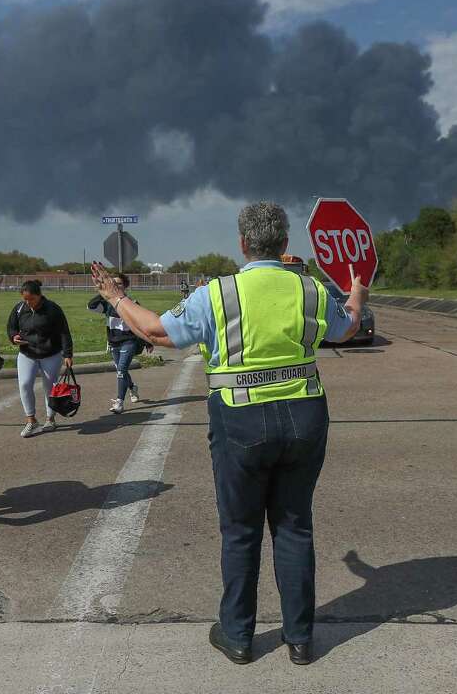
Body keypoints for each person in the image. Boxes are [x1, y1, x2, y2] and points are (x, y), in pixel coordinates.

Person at [90, 201, 367, 666]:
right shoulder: (311, 289)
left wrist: (117, 297)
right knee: (294, 526)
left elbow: (157, 333)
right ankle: (300, 640)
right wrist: (357, 289)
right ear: (284, 245)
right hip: (304, 418)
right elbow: (348, 328)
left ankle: (238, 636)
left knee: (241, 530)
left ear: (242, 244)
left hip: (240, 421)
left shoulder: (217, 294)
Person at [7, 280, 74, 437]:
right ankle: (31, 420)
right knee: (24, 384)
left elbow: (64, 332)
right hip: (26, 353)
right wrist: (13, 337)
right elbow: (11, 327)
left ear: (39, 295)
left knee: (49, 387)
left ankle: (50, 419)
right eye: (25, 299)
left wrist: (68, 354)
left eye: (31, 299)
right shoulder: (19, 309)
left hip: (50, 354)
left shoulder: (53, 309)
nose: (28, 302)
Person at [88, 272, 152, 414]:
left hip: (129, 341)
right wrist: (103, 292)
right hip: (114, 342)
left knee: (121, 370)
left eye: (119, 284)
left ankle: (119, 402)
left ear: (126, 286)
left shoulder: (133, 304)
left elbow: (141, 325)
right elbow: (91, 306)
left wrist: (148, 342)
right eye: (114, 284)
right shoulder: (108, 305)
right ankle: (132, 387)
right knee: (121, 371)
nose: (116, 286)